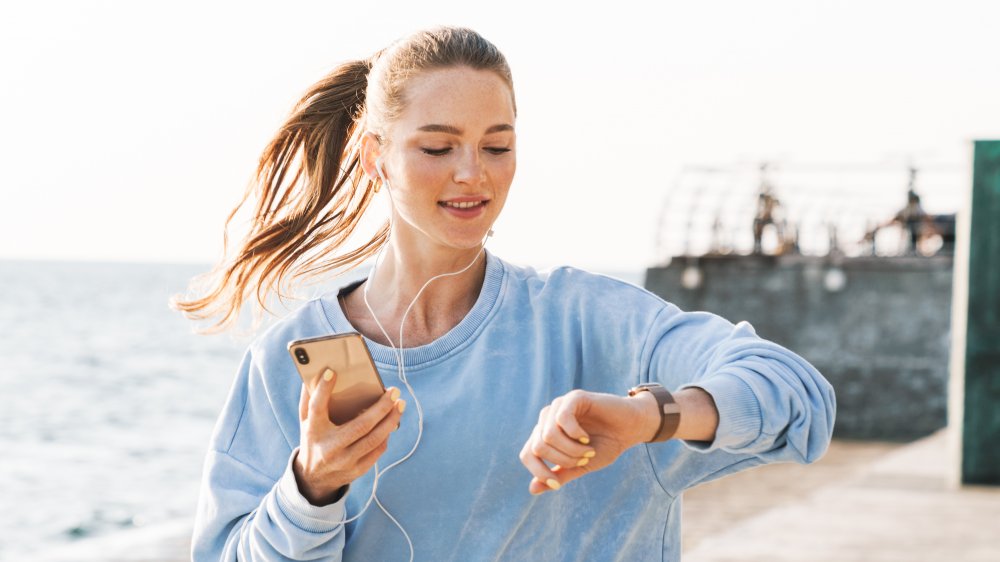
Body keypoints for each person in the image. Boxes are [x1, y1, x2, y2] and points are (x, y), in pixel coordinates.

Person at [175, 27, 836, 561]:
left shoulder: (589, 323)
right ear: (375, 157)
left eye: (497, 146)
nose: (472, 174)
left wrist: (648, 419)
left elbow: (799, 398)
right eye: (438, 147)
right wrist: (310, 489)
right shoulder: (291, 362)